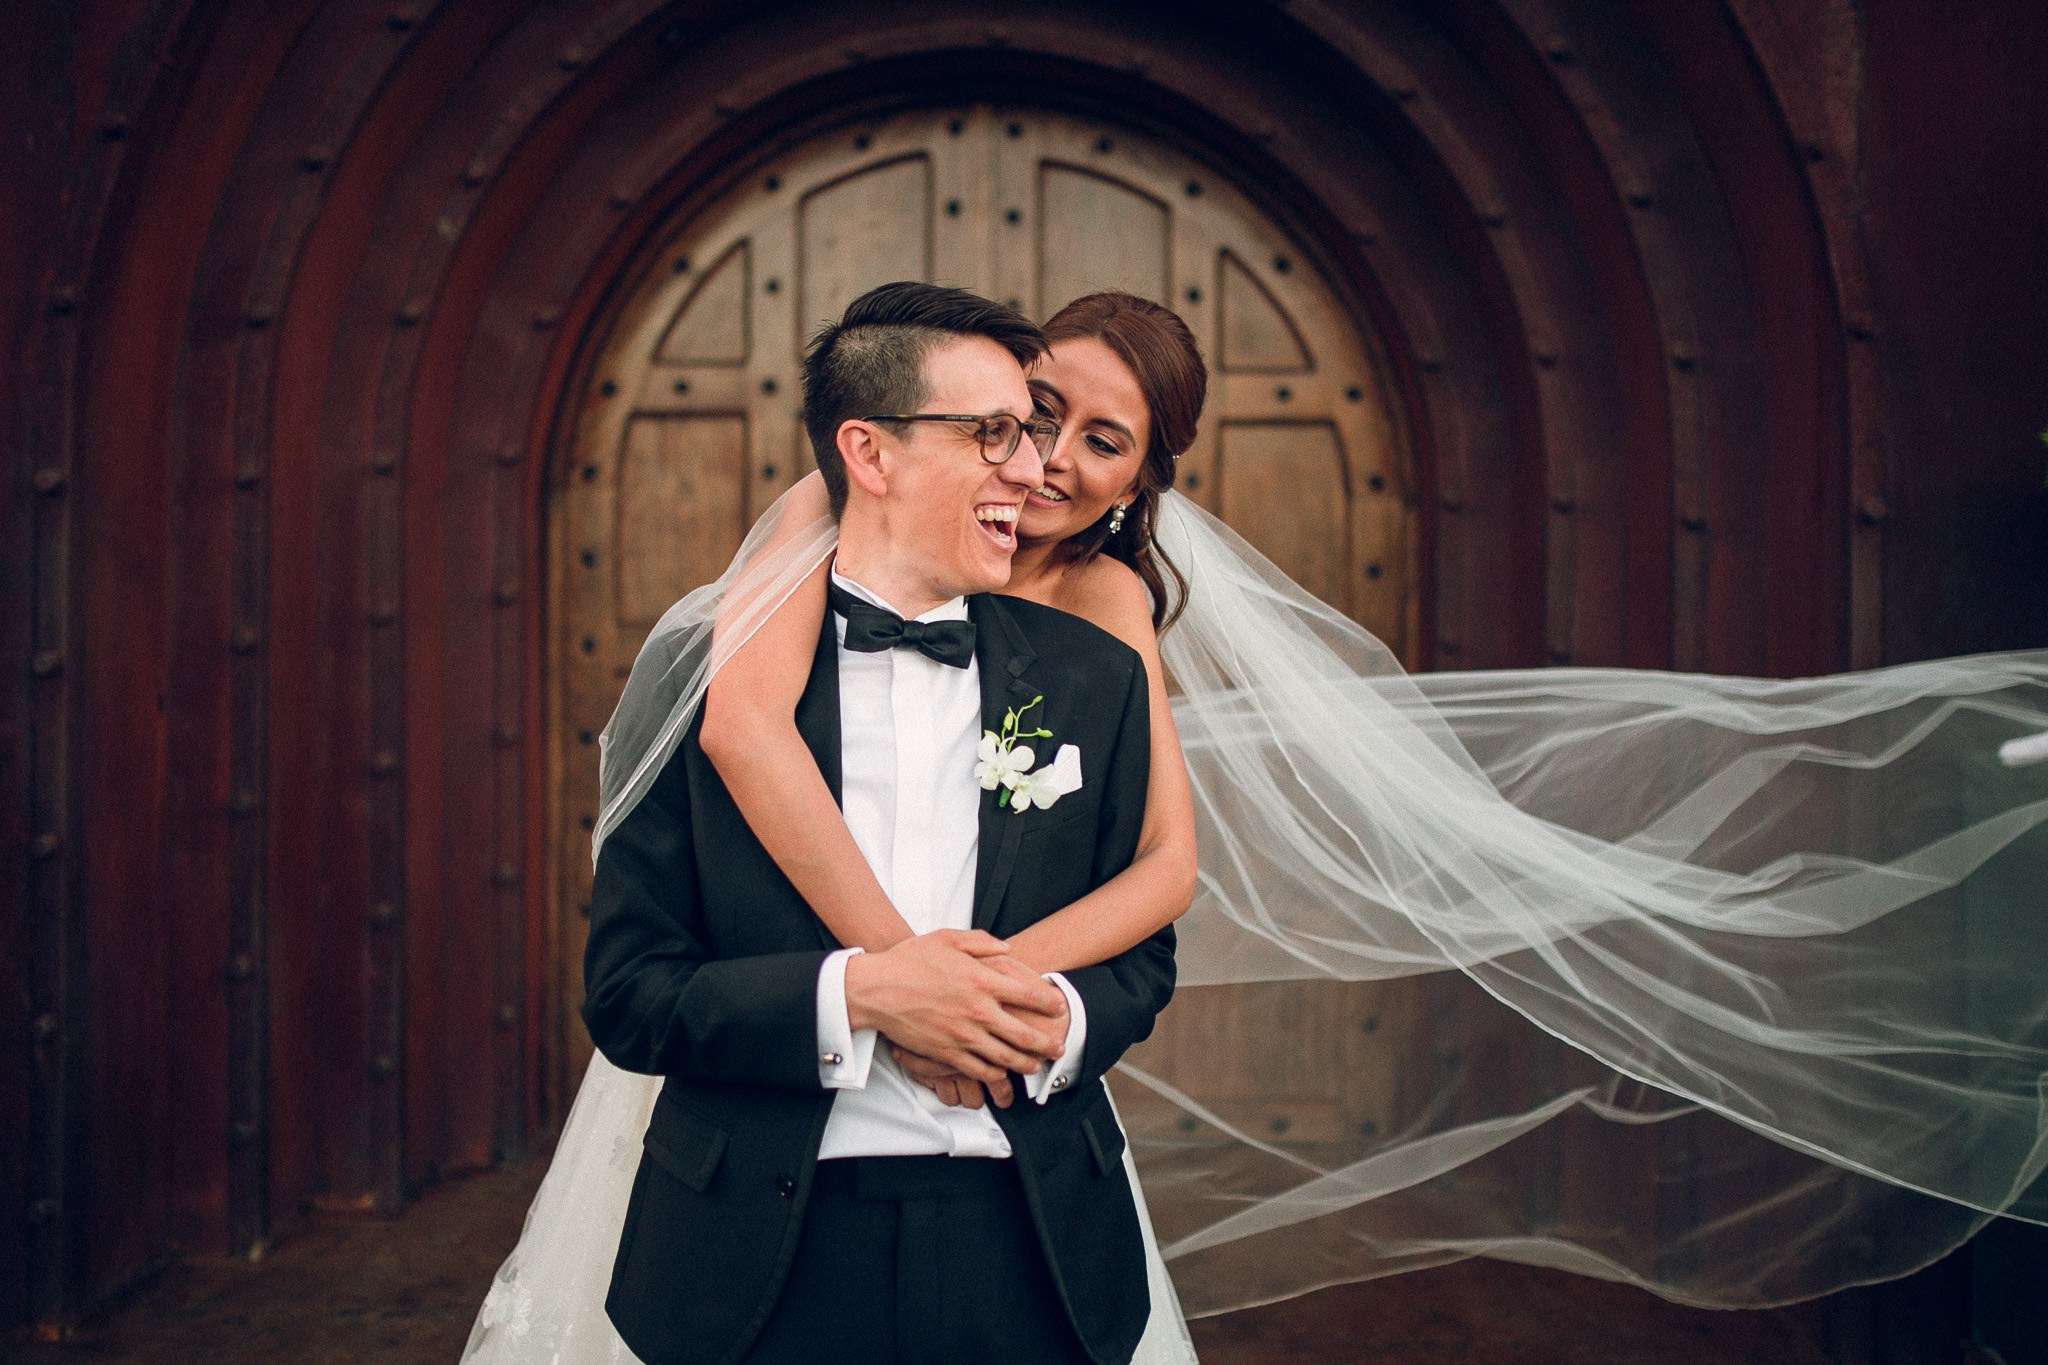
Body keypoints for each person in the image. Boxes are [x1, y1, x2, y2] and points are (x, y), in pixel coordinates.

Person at [468, 285, 2048, 1361]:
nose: (1048, 463)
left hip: (1012, 1168)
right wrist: (887, 985)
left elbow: (1164, 876)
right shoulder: (810, 558)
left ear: (1145, 476)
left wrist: (994, 1007)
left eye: (1096, 440)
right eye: (1026, 421)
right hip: (759, 1166)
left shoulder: (1096, 633)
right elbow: (732, 759)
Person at [576, 281, 1177, 1365]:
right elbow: (628, 998)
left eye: (1042, 438)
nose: (1034, 467)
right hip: (758, 1253)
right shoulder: (703, 677)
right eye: (998, 431)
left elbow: (1142, 949)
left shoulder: (1096, 677)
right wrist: (864, 993)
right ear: (869, 453)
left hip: (1034, 1244)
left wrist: (1036, 1028)